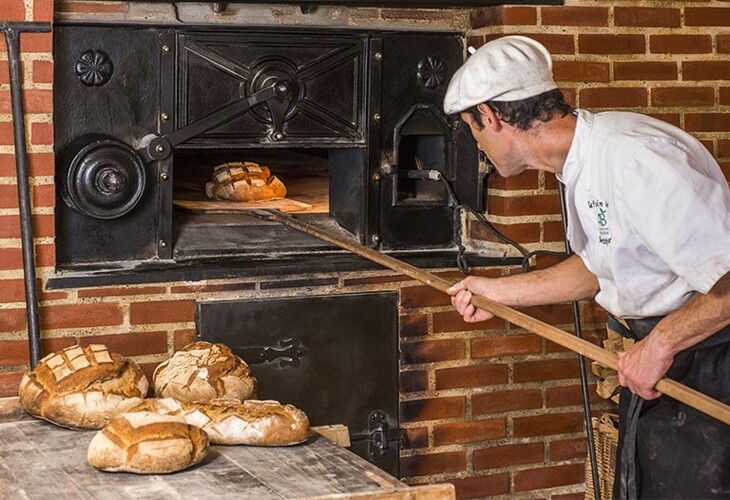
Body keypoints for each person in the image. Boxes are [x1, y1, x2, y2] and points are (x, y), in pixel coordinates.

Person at [443, 35, 730, 499]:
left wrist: (659, 344)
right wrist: (497, 291)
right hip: (673, 361)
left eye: (472, 129)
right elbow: (602, 267)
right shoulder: (582, 162)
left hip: (714, 366)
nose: (477, 144)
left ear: (491, 117)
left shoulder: (633, 159)